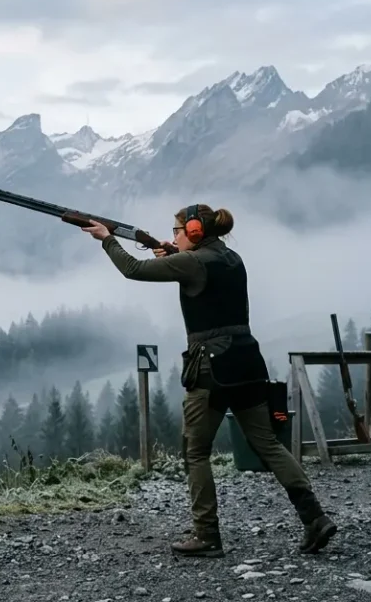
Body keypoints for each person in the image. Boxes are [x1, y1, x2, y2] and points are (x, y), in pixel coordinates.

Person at [80, 204, 337, 558]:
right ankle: (315, 518)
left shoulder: (192, 262)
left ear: (195, 231)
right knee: (268, 444)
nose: (173, 237)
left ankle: (206, 534)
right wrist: (173, 253)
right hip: (247, 360)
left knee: (196, 451)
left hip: (211, 366)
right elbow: (202, 275)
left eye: (177, 231)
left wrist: (107, 239)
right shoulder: (232, 259)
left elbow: (133, 269)